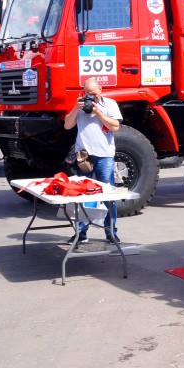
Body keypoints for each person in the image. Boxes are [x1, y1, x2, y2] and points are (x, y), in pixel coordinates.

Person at [63, 77, 123, 243]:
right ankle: (81, 233)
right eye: (88, 94)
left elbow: (115, 127)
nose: (91, 97)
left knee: (107, 195)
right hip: (84, 157)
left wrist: (97, 112)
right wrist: (77, 107)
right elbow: (67, 125)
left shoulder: (110, 104)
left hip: (104, 156)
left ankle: (111, 232)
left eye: (94, 93)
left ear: (101, 90)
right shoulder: (81, 106)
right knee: (83, 196)